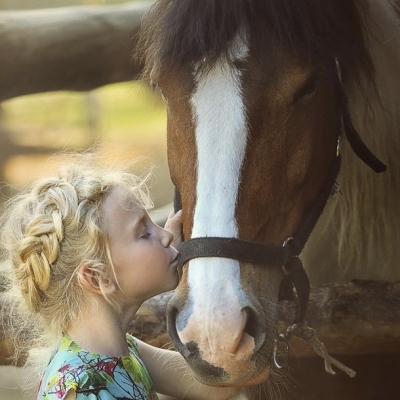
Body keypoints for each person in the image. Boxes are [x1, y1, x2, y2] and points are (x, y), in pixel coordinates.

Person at [0, 153, 237, 400]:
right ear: (97, 277)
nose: (166, 236)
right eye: (144, 232)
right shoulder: (81, 387)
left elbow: (218, 385)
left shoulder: (119, 353)